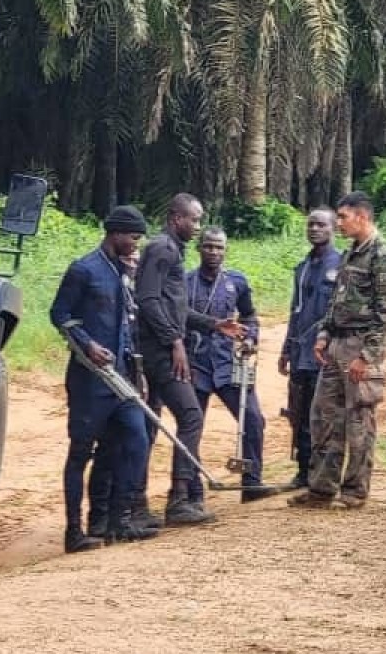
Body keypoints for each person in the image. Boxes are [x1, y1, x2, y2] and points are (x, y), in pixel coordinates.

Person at [49, 206, 160, 552]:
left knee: (136, 440)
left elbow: (129, 328)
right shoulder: (84, 269)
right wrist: (87, 344)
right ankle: (73, 531)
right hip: (89, 381)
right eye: (132, 237)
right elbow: (59, 314)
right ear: (115, 234)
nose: (135, 244)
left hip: (121, 381)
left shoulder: (124, 272)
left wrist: (136, 375)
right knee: (80, 453)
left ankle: (118, 522)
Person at [135, 193, 244, 524]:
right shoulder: (162, 249)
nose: (198, 227)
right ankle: (179, 500)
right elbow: (148, 299)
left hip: (161, 348)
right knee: (191, 416)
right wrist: (175, 342)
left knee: (149, 425)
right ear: (175, 218)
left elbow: (175, 308)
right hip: (160, 353)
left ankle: (136, 504)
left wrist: (214, 325)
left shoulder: (172, 250)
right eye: (193, 220)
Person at [289, 192, 386, 509]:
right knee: (324, 415)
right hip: (337, 344)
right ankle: (322, 487)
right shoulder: (350, 254)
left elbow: (385, 313)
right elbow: (336, 301)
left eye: (343, 217)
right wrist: (324, 334)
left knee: (359, 421)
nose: (338, 223)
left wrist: (366, 356)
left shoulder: (384, 257)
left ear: (363, 217)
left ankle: (354, 491)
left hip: (360, 345)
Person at [186, 227, 278, 501]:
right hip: (195, 363)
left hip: (229, 363)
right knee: (192, 426)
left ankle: (251, 483)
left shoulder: (236, 281)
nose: (213, 252)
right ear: (199, 249)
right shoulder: (185, 281)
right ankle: (191, 492)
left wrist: (250, 338)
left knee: (252, 419)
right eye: (208, 246)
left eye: (219, 247)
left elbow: (249, 315)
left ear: (226, 251)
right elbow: (176, 317)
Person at [84, 248, 160, 538]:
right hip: (102, 381)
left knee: (134, 443)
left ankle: (122, 516)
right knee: (107, 449)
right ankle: (99, 518)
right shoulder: (104, 287)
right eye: (128, 260)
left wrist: (140, 377)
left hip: (129, 379)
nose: (132, 264)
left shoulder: (134, 294)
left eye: (136, 261)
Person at [278, 209, 342, 489]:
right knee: (299, 411)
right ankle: (303, 470)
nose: (315, 229)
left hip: (324, 353)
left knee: (322, 415)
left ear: (333, 229)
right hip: (300, 352)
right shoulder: (303, 267)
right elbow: (295, 310)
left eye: (321, 224)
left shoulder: (341, 265)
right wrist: (285, 348)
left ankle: (322, 473)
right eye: (311, 224)